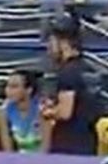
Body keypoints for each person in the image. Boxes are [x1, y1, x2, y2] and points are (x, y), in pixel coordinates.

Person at [41, 16, 100, 156]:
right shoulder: (89, 69)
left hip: (68, 145)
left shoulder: (67, 72)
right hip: (88, 141)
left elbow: (65, 112)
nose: (49, 48)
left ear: (63, 43)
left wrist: (47, 111)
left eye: (51, 41)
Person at [0, 69, 45, 153]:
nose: (8, 90)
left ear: (29, 90)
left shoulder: (42, 110)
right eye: (7, 86)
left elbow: (45, 148)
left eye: (14, 86)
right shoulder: (4, 112)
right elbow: (7, 149)